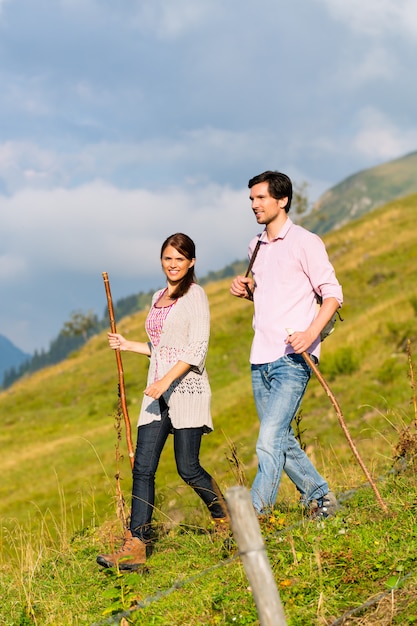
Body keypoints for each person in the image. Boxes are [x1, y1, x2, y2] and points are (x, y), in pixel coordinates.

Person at [97, 233, 228, 570]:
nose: (173, 265)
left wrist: (166, 380)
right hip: (157, 394)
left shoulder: (195, 296)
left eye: (180, 259)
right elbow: (160, 347)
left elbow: (196, 349)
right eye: (168, 258)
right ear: (162, 260)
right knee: (143, 468)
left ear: (191, 263)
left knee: (188, 467)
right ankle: (136, 546)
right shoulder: (158, 296)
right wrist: (129, 345)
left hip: (185, 390)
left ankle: (225, 517)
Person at [230, 171, 343, 519]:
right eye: (251, 199)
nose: (254, 205)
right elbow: (272, 298)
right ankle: (321, 498)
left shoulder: (306, 242)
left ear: (282, 200)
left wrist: (310, 335)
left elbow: (333, 295)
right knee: (280, 438)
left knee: (267, 440)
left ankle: (254, 516)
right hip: (259, 358)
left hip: (293, 359)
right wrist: (248, 292)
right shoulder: (255, 246)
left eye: (261, 198)